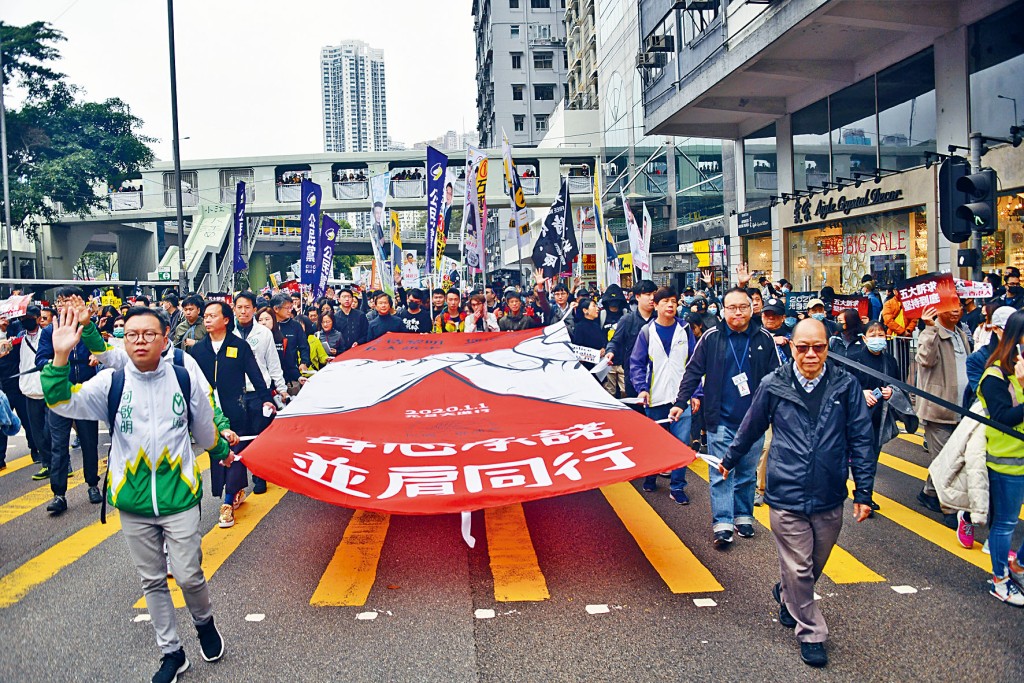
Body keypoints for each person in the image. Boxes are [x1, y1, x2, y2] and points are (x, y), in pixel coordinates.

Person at [40, 305, 230, 682]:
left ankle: (204, 623)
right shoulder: (111, 383)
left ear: (164, 340)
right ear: (123, 340)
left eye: (148, 334)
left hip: (178, 497)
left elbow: (206, 430)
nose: (139, 341)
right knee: (153, 580)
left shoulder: (184, 376)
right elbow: (61, 402)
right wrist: (60, 356)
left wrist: (219, 448)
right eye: (131, 335)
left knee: (189, 575)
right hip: (133, 501)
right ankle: (172, 653)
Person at [720, 318, 874, 668]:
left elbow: (862, 438)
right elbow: (751, 426)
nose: (809, 354)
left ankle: (787, 593)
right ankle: (812, 632)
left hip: (829, 492)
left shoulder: (846, 385)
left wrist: (864, 491)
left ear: (827, 347)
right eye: (802, 347)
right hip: (786, 493)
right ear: (790, 346)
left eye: (817, 347)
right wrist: (730, 459)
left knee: (812, 565)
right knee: (800, 567)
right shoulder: (773, 384)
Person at [669, 287, 781, 549]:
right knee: (721, 472)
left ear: (752, 309)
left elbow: (778, 378)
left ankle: (743, 517)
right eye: (732, 307)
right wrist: (680, 402)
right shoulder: (711, 337)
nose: (738, 312)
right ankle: (722, 524)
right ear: (722, 310)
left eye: (743, 306)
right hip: (720, 419)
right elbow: (693, 372)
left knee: (746, 472)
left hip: (754, 421)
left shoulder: (764, 338)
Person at [191, 301, 274, 529]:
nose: (207, 320)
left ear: (226, 320)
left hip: (237, 409)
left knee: (234, 453)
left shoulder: (240, 346)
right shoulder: (198, 350)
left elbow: (255, 375)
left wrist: (267, 397)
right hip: (209, 413)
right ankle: (234, 490)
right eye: (205, 316)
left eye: (212, 316)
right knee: (219, 455)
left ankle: (228, 503)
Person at [35, 286, 101, 514]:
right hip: (60, 397)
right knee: (58, 445)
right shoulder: (48, 332)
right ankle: (59, 494)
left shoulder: (88, 328)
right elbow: (40, 360)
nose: (64, 306)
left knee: (89, 441)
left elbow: (103, 353)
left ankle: (93, 484)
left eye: (69, 301)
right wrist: (58, 362)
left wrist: (95, 358)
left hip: (85, 393)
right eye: (60, 302)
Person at [630, 288, 697, 504]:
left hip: (681, 398)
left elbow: (695, 364)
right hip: (655, 397)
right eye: (666, 301)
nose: (670, 305)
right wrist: (641, 388)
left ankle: (677, 487)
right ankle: (651, 475)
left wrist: (696, 393)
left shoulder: (685, 330)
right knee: (656, 442)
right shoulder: (646, 332)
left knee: (681, 443)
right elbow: (637, 363)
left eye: (674, 301)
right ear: (656, 305)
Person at [975, 310, 1024, 605]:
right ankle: (1000, 579)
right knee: (1005, 523)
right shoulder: (994, 375)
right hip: (1007, 462)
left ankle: (1017, 563)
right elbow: (1003, 418)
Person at [915, 304, 971, 519]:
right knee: (948, 462)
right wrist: (929, 329)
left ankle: (929, 492)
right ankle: (951, 510)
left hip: (961, 409)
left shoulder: (960, 334)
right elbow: (925, 360)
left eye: (959, 306)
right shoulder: (931, 333)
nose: (956, 311)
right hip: (938, 409)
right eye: (950, 307)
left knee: (947, 459)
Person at [847, 321, 906, 515]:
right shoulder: (854, 358)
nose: (877, 339)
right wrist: (860, 393)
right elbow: (845, 384)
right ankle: (857, 495)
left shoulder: (890, 361)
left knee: (871, 457)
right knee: (858, 457)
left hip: (880, 417)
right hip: (857, 416)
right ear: (864, 339)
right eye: (872, 335)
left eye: (881, 334)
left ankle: (866, 495)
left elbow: (899, 385)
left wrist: (892, 391)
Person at [232, 293, 286, 495]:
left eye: (247, 307)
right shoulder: (229, 333)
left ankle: (259, 476)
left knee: (258, 437)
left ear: (254, 309)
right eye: (239, 307)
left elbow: (273, 363)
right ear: (234, 309)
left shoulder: (264, 333)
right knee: (238, 439)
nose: (243, 311)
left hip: (258, 394)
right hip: (235, 394)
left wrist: (281, 389)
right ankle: (236, 484)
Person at [605, 280, 657, 400]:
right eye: (648, 294)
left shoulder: (660, 319)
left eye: (654, 294)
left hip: (658, 376)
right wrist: (610, 352)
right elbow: (615, 341)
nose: (652, 298)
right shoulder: (627, 320)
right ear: (637, 296)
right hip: (634, 377)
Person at [966, 306, 1017, 402]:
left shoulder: (1020, 353)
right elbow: (985, 395)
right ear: (995, 328)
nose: (1014, 335)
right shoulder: (977, 359)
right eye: (1009, 330)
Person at [270, 294, 310, 396]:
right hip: (270, 376)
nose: (290, 310)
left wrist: (304, 362)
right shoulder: (268, 325)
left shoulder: (295, 326)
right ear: (276, 309)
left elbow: (304, 346)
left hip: (291, 375)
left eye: (290, 307)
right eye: (287, 308)